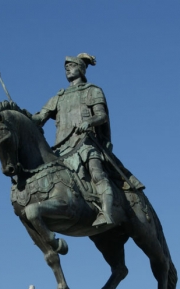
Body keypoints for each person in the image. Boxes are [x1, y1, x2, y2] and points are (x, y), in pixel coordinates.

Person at [31, 53, 116, 227]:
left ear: (82, 69)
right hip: (61, 149)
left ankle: (106, 213)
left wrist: (89, 122)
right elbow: (40, 117)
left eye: (72, 66)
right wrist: (22, 118)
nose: (68, 69)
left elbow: (102, 116)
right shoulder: (59, 97)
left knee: (97, 173)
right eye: (66, 68)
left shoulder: (92, 90)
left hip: (85, 143)